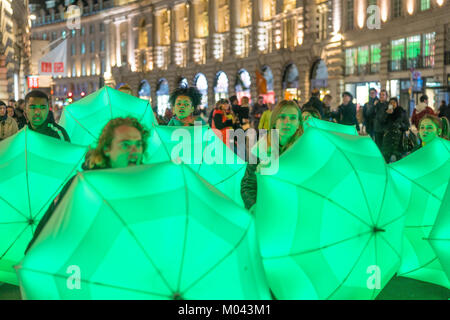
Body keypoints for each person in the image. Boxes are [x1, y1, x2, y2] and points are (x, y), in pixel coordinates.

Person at [25, 116, 150, 254]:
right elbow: (48, 230)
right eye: (125, 145)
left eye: (138, 144)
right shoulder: (82, 187)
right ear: (107, 148)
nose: (134, 151)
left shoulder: (146, 186)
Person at [240, 100, 304, 211]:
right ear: (274, 121)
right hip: (267, 210)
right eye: (282, 117)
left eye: (293, 118)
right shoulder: (260, 149)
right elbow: (248, 184)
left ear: (298, 123)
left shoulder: (304, 150)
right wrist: (253, 206)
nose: (287, 122)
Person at [380, 98, 410, 163]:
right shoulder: (386, 111)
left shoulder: (402, 112)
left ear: (397, 103)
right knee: (385, 158)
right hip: (388, 139)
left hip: (399, 139)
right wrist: (386, 114)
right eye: (391, 103)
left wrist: (400, 125)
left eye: (394, 102)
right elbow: (381, 122)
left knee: (399, 159)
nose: (392, 104)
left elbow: (407, 126)